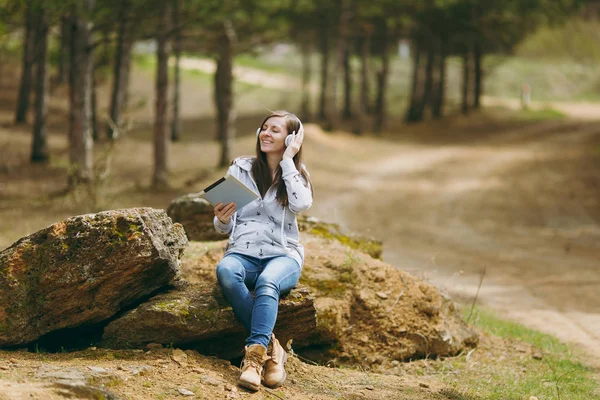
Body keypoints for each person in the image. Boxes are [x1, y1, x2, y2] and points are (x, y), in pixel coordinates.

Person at [212, 110, 313, 391]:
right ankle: (271, 348)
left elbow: (302, 205)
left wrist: (288, 162)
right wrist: (222, 219)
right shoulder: (240, 169)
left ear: (291, 138)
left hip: (283, 255)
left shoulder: (297, 174)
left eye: (275, 130)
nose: (266, 133)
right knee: (226, 271)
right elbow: (225, 226)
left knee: (269, 282)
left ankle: (253, 361)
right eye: (264, 128)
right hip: (242, 251)